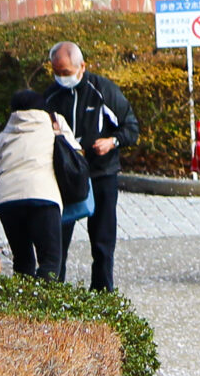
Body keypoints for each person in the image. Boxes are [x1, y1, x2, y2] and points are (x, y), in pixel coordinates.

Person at [44, 41, 139, 292]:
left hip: (101, 172)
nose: (62, 78)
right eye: (57, 73)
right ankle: (55, 292)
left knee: (102, 240)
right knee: (58, 239)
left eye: (66, 73)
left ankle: (102, 292)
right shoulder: (50, 96)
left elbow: (131, 127)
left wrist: (112, 142)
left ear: (81, 66)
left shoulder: (103, 90)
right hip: (65, 176)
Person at [0, 89, 75, 280]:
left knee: (22, 260)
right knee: (50, 260)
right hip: (43, 198)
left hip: (7, 202)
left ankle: (21, 304)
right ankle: (41, 305)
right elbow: (74, 155)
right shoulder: (55, 124)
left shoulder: (3, 137)